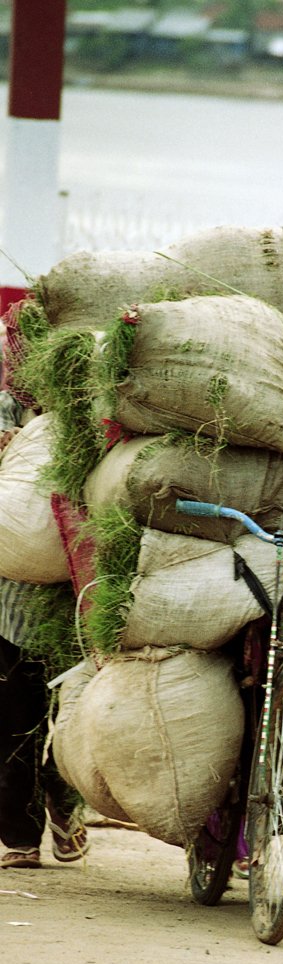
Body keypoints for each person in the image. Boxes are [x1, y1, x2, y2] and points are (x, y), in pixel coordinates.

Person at [0, 338, 90, 870]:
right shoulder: (10, 407)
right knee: (16, 721)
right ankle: (19, 836)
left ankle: (66, 804)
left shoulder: (91, 415)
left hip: (78, 593)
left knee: (74, 714)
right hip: (13, 600)